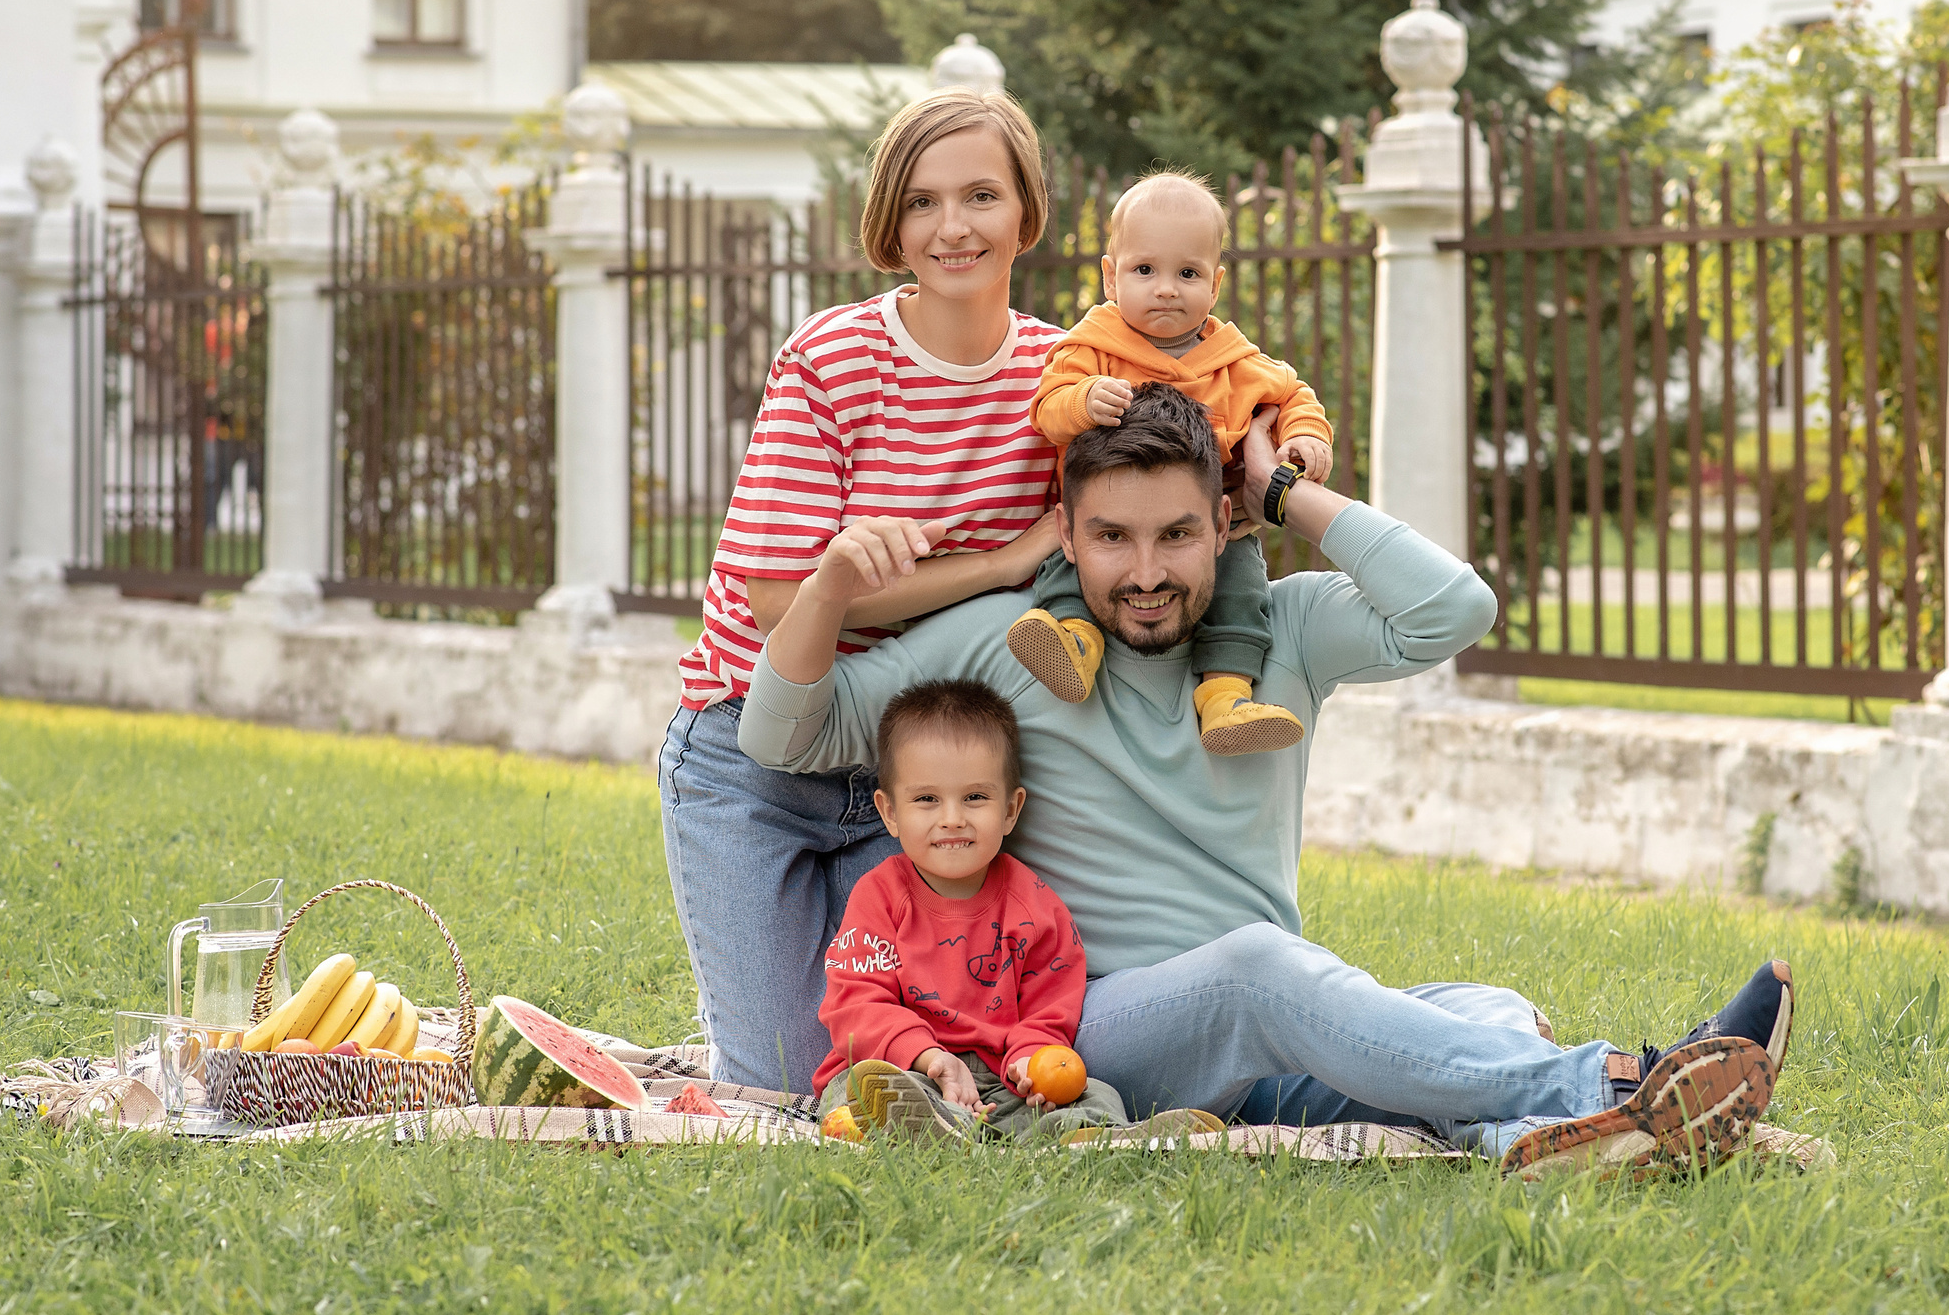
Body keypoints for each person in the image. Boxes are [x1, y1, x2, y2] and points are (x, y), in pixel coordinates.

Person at [738, 384, 1795, 1175]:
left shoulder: (1282, 631)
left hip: (1263, 1031)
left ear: (1223, 525)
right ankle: (1624, 1078)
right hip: (1083, 1027)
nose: (1144, 569)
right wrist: (830, 583)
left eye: (1176, 533)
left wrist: (1285, 490)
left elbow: (1455, 610)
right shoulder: (1008, 641)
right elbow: (783, 731)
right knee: (1257, 967)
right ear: (1067, 530)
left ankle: (1571, 1139)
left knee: (1484, 1003)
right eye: (1110, 535)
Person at [657, 88, 1068, 1092]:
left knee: (896, 1072)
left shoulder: (1062, 375)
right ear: (892, 222)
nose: (952, 226)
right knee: (788, 1083)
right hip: (751, 757)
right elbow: (777, 595)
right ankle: (739, 1034)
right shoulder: (835, 358)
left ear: (1025, 210)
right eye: (922, 202)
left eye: (980, 194)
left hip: (917, 775)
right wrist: (997, 563)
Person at [1007, 172, 1332, 756]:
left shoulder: (1236, 362)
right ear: (1111, 276)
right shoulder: (1091, 348)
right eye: (1144, 271)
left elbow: (1293, 397)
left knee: (1240, 588)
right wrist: (1081, 402)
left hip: (1211, 529)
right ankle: (1073, 642)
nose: (1165, 289)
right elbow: (1046, 410)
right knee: (1070, 559)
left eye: (1187, 273)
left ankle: (1226, 697)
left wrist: (1306, 440)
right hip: (1106, 518)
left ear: (1216, 284)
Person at [809, 677, 1138, 1143]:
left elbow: (1051, 1003)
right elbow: (856, 1003)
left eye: (975, 797)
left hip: (998, 1080)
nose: (952, 818)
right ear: (890, 813)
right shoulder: (879, 896)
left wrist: (1030, 1057)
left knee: (1095, 1094)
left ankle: (1092, 1139)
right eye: (926, 799)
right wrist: (928, 1057)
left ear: (1010, 809)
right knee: (860, 1089)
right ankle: (923, 1125)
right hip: (906, 1068)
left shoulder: (1035, 904)